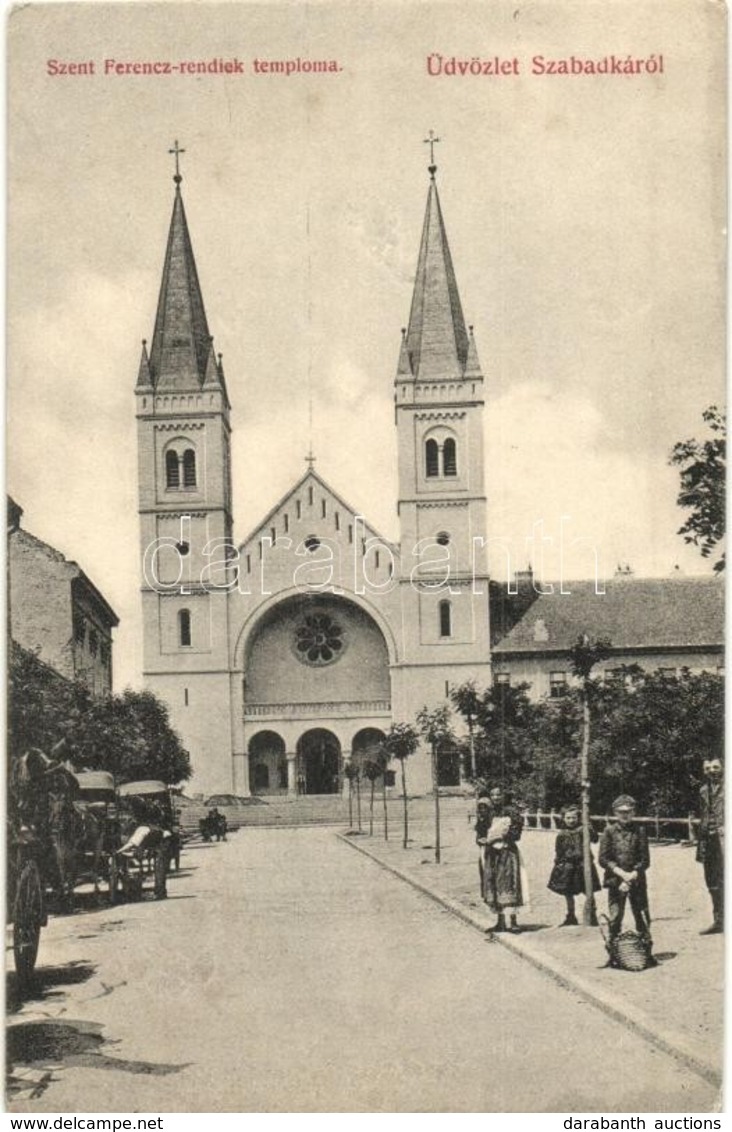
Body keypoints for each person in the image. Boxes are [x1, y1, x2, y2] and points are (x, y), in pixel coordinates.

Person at [598, 794, 651, 949]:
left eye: (628, 811)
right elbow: (603, 858)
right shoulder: (609, 831)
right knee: (615, 917)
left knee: (642, 915)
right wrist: (621, 874)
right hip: (615, 880)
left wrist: (631, 877)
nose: (625, 815)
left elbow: (645, 860)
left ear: (633, 812)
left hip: (637, 879)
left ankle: (646, 950)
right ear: (615, 813)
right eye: (621, 812)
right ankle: (614, 951)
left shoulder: (640, 831)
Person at [547, 803, 600, 926]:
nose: (571, 820)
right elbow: (559, 851)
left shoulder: (583, 830)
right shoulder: (562, 834)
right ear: (563, 819)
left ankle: (591, 914)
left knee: (588, 890)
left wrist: (589, 826)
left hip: (583, 865)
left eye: (574, 818)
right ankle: (571, 915)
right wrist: (558, 865)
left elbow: (595, 839)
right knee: (568, 891)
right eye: (568, 818)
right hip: (568, 866)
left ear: (578, 818)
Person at [483, 785, 525, 933]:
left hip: (507, 851)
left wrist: (502, 836)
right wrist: (482, 839)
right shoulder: (487, 812)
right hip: (491, 853)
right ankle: (500, 921)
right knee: (494, 883)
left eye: (498, 794)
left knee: (510, 883)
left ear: (503, 795)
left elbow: (517, 833)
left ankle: (513, 921)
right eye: (492, 795)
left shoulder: (512, 811)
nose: (495, 798)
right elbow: (481, 830)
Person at [697, 756, 724, 934]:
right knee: (712, 881)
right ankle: (719, 920)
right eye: (707, 768)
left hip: (725, 838)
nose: (711, 771)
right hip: (708, 840)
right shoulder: (703, 791)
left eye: (715, 767)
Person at [474, 796, 492, 898]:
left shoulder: (491, 819)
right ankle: (484, 893)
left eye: (485, 808)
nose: (483, 810)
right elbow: (477, 836)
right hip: (482, 848)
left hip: (491, 847)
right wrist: (479, 840)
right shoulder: (480, 820)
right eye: (480, 808)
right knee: (482, 869)